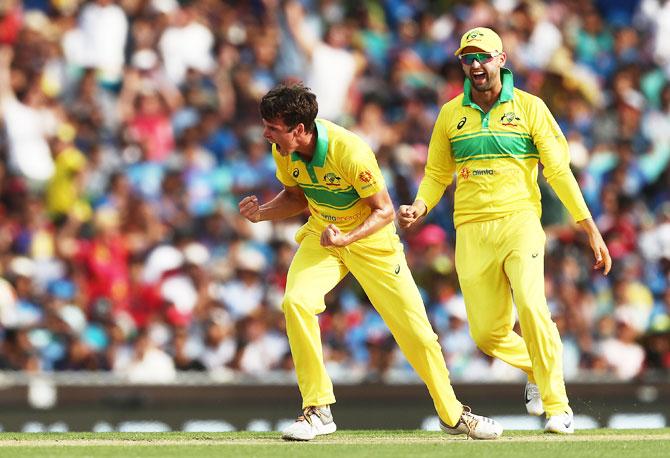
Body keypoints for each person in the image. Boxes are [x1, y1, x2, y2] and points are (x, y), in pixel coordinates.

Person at [239, 83, 502, 441]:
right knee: (295, 301)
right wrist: (262, 214)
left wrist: (347, 238)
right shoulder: (282, 151)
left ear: (299, 129)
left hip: (372, 243)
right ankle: (317, 410)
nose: (266, 133)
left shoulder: (350, 151)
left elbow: (384, 211)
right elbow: (296, 195)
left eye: (273, 127)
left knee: (418, 335)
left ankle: (454, 416)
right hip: (325, 235)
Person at [398, 27, 613, 435]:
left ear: (501, 59)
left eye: (482, 57)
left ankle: (557, 406)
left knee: (532, 307)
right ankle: (537, 365)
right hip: (471, 229)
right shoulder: (449, 114)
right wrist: (420, 207)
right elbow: (436, 174)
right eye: (467, 59)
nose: (475, 66)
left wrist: (590, 229)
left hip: (520, 223)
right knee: (487, 334)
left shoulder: (530, 108)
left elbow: (559, 172)